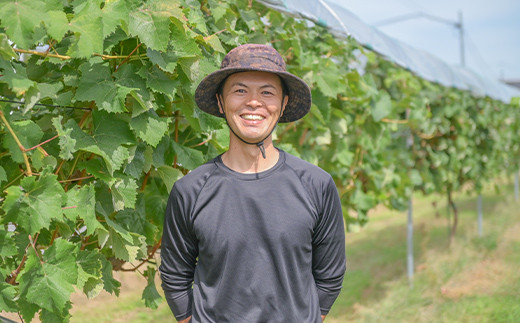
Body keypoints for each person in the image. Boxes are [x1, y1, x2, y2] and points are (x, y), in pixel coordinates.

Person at [160, 43, 346, 323]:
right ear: (221, 102)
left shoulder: (316, 185)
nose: (254, 103)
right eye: (240, 90)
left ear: (283, 105)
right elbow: (175, 275)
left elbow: (329, 276)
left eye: (267, 92)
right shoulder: (190, 191)